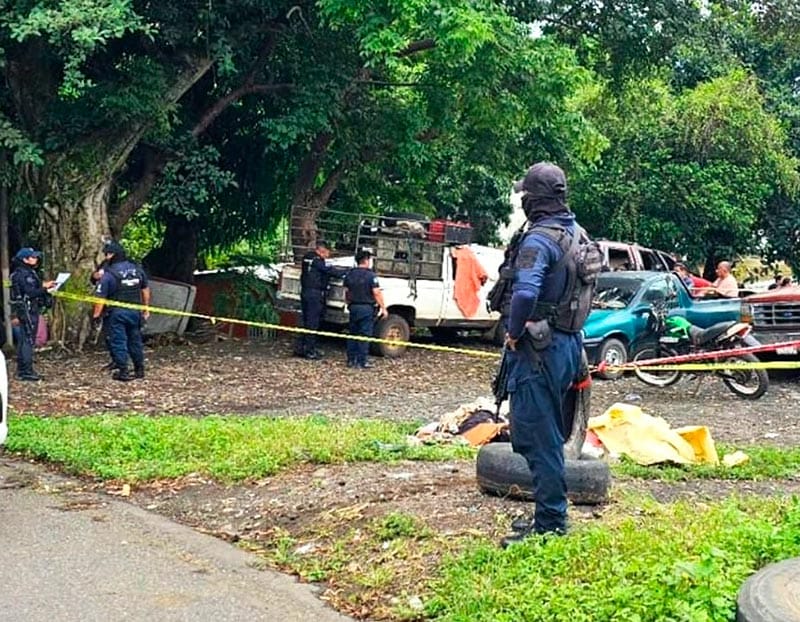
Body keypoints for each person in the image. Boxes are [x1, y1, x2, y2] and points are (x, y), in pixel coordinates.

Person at [499, 162, 589, 546]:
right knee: (548, 431)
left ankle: (551, 524)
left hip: (539, 349)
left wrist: (514, 332)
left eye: (525, 195)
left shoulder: (539, 240)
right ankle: (548, 515)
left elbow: (524, 293)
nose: (522, 201)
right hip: (568, 344)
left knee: (540, 437)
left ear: (535, 199)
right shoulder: (577, 233)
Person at [91, 241, 150, 381]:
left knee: (118, 341)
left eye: (107, 254)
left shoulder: (109, 274)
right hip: (135, 311)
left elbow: (100, 298)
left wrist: (96, 316)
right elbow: (145, 289)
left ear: (112, 255)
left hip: (116, 313)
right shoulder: (136, 269)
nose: (106, 257)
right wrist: (146, 308)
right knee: (135, 340)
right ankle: (139, 369)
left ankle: (123, 371)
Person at [10, 247, 55, 381]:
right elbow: (30, 293)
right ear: (25, 259)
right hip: (28, 310)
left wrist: (44, 286)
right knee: (28, 340)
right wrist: (44, 288)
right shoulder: (24, 274)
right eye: (33, 257)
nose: (36, 259)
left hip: (28, 309)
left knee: (25, 339)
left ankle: (23, 370)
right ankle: (26, 371)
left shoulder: (26, 272)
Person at [295, 240, 346, 360]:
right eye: (328, 253)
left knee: (306, 320)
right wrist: (346, 272)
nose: (328, 256)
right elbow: (330, 271)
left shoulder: (307, 258)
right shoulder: (317, 261)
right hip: (315, 294)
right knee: (313, 322)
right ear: (322, 250)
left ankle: (301, 347)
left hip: (305, 292)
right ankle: (310, 350)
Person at [344, 250, 387, 369]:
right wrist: (383, 308)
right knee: (364, 334)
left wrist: (348, 302)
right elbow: (376, 293)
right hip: (366, 308)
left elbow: (346, 291)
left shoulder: (350, 274)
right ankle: (362, 361)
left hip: (353, 307)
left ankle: (351, 360)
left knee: (353, 333)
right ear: (367, 260)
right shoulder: (370, 275)